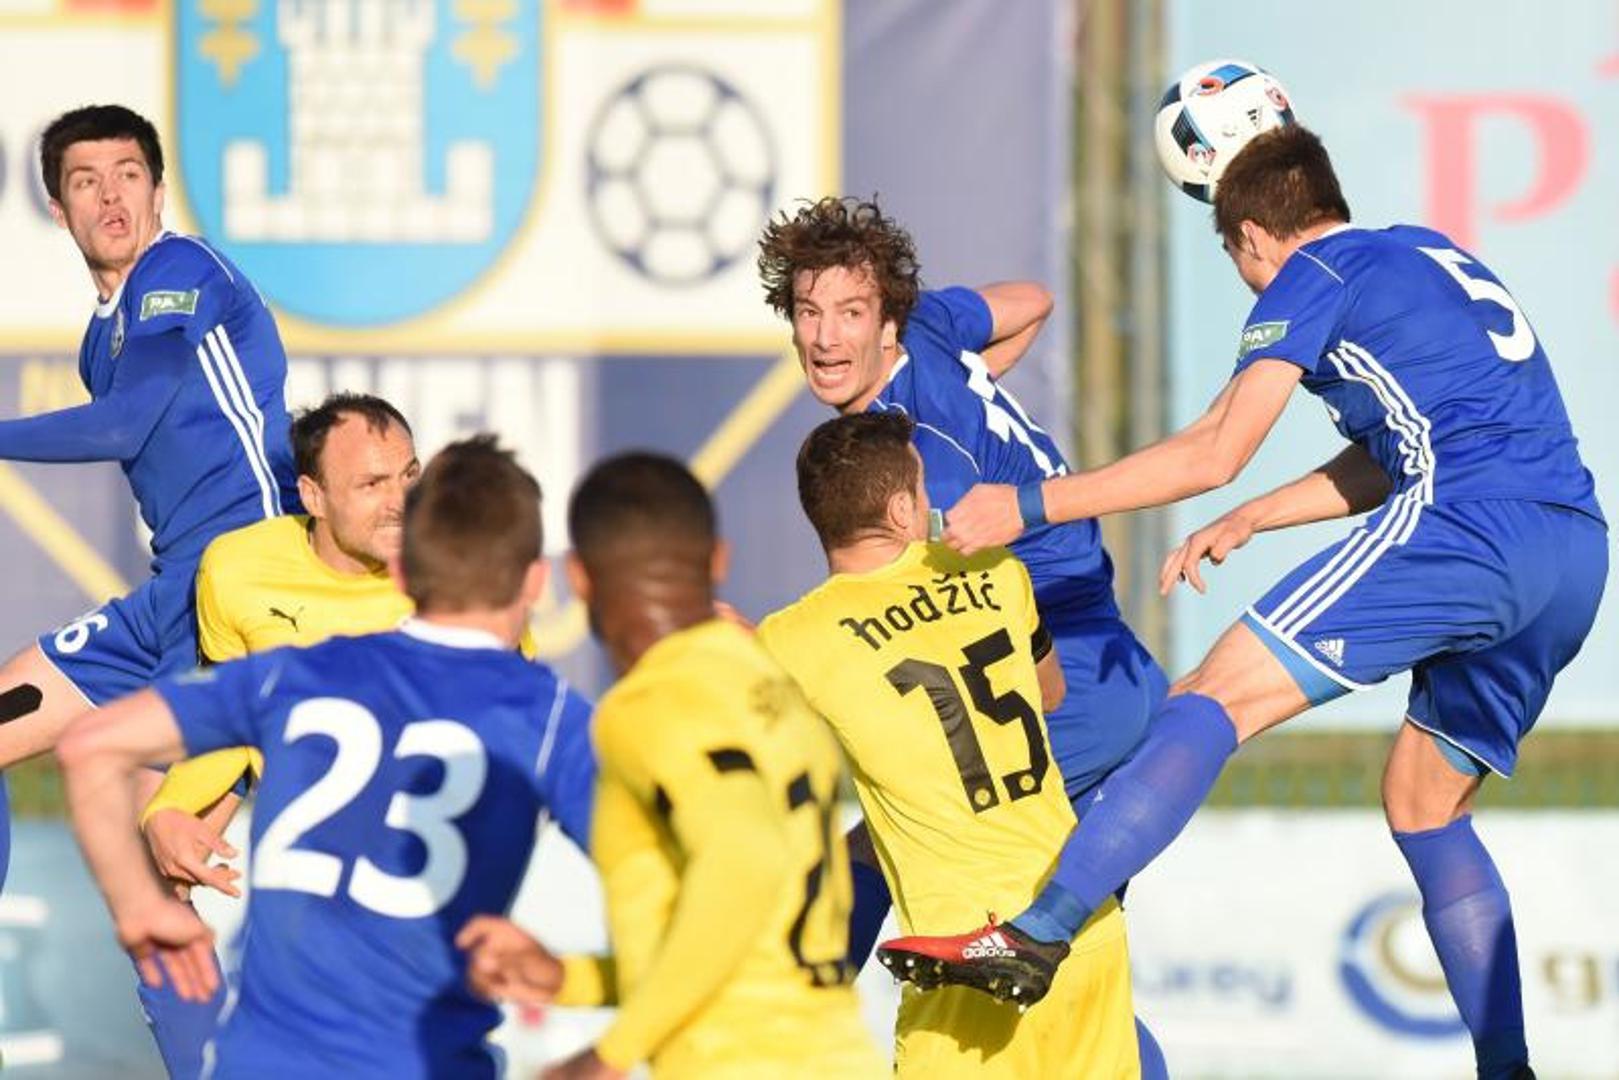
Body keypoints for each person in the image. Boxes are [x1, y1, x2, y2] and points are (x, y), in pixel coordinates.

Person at [906, 125, 1607, 1080]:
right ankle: (1507, 1069)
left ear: (1248, 239)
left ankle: (1034, 933)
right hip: (1572, 548)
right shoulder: (1422, 251)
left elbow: (1211, 450)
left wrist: (1026, 504)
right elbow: (1397, 447)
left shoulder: (1306, 276)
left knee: (1208, 697)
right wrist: (1257, 516)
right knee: (1423, 800)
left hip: (1469, 526)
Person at [56, 437, 596, 1078]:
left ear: (402, 573)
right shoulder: (550, 718)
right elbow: (687, 881)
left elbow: (90, 745)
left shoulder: (294, 673)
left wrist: (140, 908)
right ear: (538, 581)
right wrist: (582, 986)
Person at [0, 103, 299, 1077]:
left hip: (248, 596)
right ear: (58, 209)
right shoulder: (102, 340)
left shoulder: (182, 270)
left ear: (159, 191)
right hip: (171, 601)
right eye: (85, 181)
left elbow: (125, 426)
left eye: (128, 173)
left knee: (153, 879)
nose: (110, 195)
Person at [457, 452, 882, 1080]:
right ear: (719, 561)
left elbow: (743, 859)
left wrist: (609, 1054)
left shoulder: (650, 704)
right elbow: (738, 948)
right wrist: (567, 978)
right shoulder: (769, 680)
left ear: (578, 578)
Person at [756, 412, 1139, 1076]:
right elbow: (1049, 693)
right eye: (922, 487)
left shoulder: (792, 638)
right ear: (902, 510)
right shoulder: (996, 570)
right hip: (1079, 921)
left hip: (966, 954)